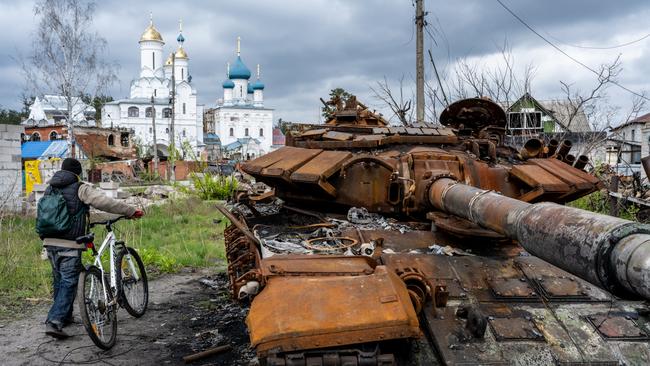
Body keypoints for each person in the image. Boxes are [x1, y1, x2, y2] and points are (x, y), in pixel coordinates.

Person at [41, 158, 143, 339]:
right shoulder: (80, 187)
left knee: (60, 280)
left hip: (49, 242)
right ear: (77, 173)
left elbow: (65, 213)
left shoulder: (50, 188)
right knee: (68, 281)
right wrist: (129, 210)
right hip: (70, 243)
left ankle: (65, 317)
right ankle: (54, 321)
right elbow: (104, 202)